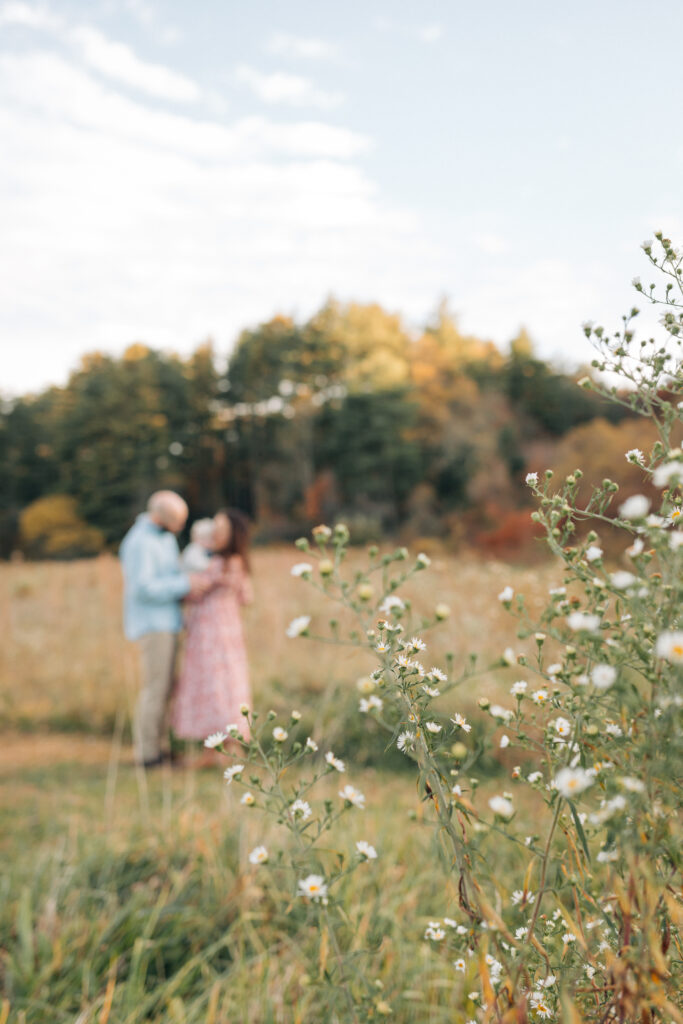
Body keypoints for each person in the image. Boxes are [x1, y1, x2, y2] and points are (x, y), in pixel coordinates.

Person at [119, 491, 211, 767]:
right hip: (153, 625)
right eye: (176, 521)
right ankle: (148, 754)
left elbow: (170, 573)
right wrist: (185, 585)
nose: (180, 527)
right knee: (155, 689)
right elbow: (143, 588)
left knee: (167, 688)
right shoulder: (140, 543)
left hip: (169, 622)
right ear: (159, 516)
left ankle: (161, 747)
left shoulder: (166, 538)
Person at [172, 508, 253, 749]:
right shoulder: (236, 562)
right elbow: (247, 597)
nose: (214, 534)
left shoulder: (222, 563)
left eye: (219, 530)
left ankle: (223, 745)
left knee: (215, 681)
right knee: (224, 681)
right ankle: (222, 745)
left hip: (212, 630)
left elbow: (192, 590)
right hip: (227, 627)